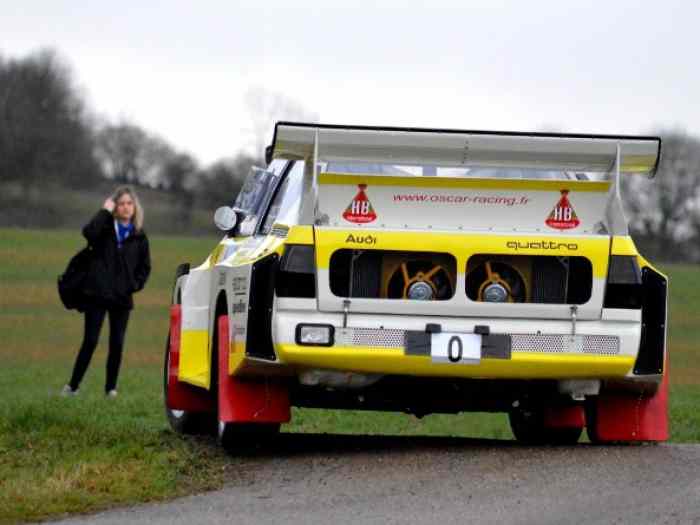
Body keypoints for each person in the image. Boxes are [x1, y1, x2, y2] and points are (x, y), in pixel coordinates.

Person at [62, 186, 151, 397]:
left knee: (117, 344)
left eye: (130, 203)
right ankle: (72, 387)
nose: (126, 208)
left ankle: (110, 389)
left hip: (122, 298)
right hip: (97, 295)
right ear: (114, 207)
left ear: (135, 207)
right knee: (90, 341)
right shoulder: (103, 230)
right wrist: (104, 211)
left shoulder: (139, 236)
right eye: (121, 204)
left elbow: (144, 268)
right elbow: (88, 232)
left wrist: (133, 285)